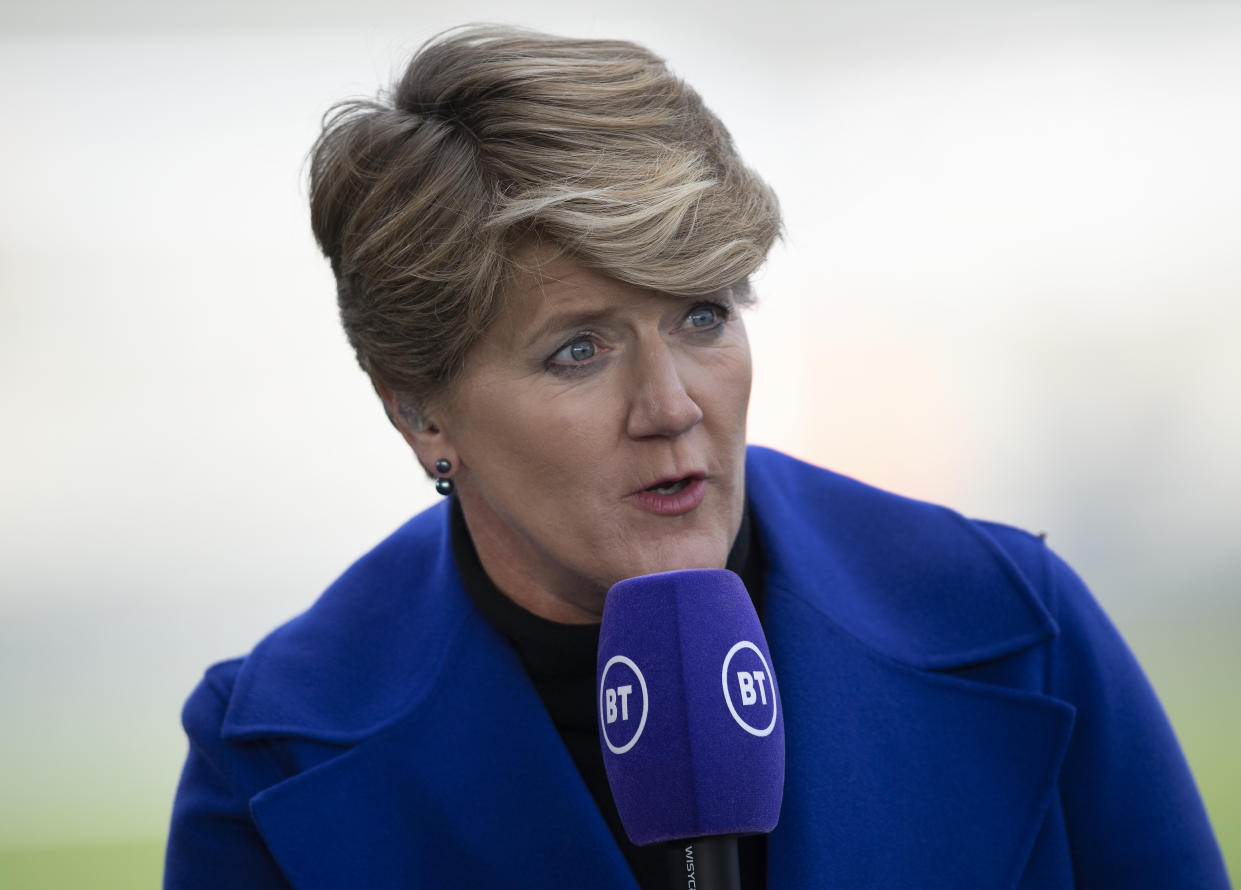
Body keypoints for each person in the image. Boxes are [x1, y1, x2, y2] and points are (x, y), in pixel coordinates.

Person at [164, 25, 1229, 890]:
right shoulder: (268, 753)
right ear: (417, 409)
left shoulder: (1014, 619)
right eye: (576, 349)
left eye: (701, 314)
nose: (669, 406)